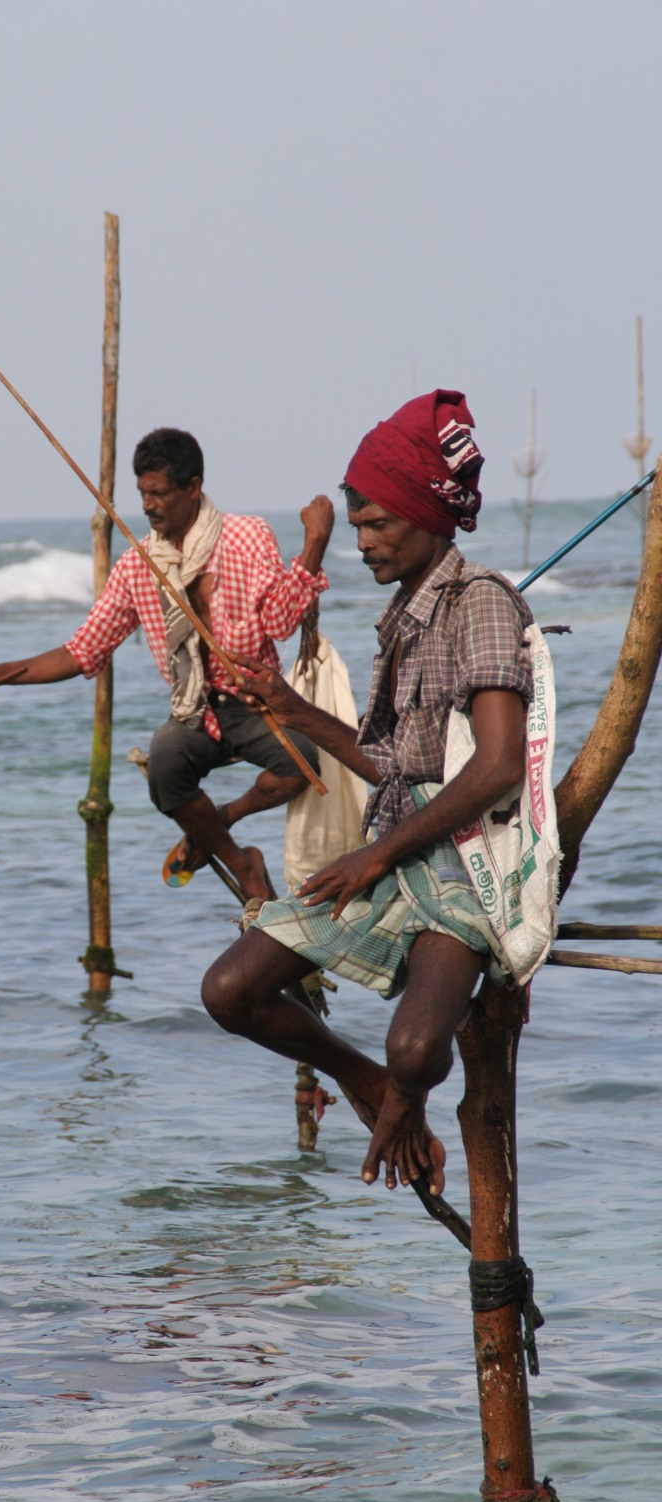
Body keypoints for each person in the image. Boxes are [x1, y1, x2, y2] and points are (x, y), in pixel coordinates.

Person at [200, 390, 534, 1196]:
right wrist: (294, 710)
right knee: (229, 991)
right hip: (392, 854)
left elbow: (497, 769)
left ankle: (398, 1092)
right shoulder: (401, 614)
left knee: (418, 1049)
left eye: (377, 523)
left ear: (425, 515)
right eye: (355, 526)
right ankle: (366, 1082)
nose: (361, 542)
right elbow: (393, 768)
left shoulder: (480, 601)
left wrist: (375, 853)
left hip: (460, 862)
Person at [0, 428, 334, 900]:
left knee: (304, 764)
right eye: (142, 493)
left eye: (160, 493)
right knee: (165, 767)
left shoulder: (246, 537)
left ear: (193, 487)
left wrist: (314, 543)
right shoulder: (137, 565)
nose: (148, 505)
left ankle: (219, 821)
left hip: (255, 701)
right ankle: (241, 861)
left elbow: (282, 621)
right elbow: (82, 650)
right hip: (194, 711)